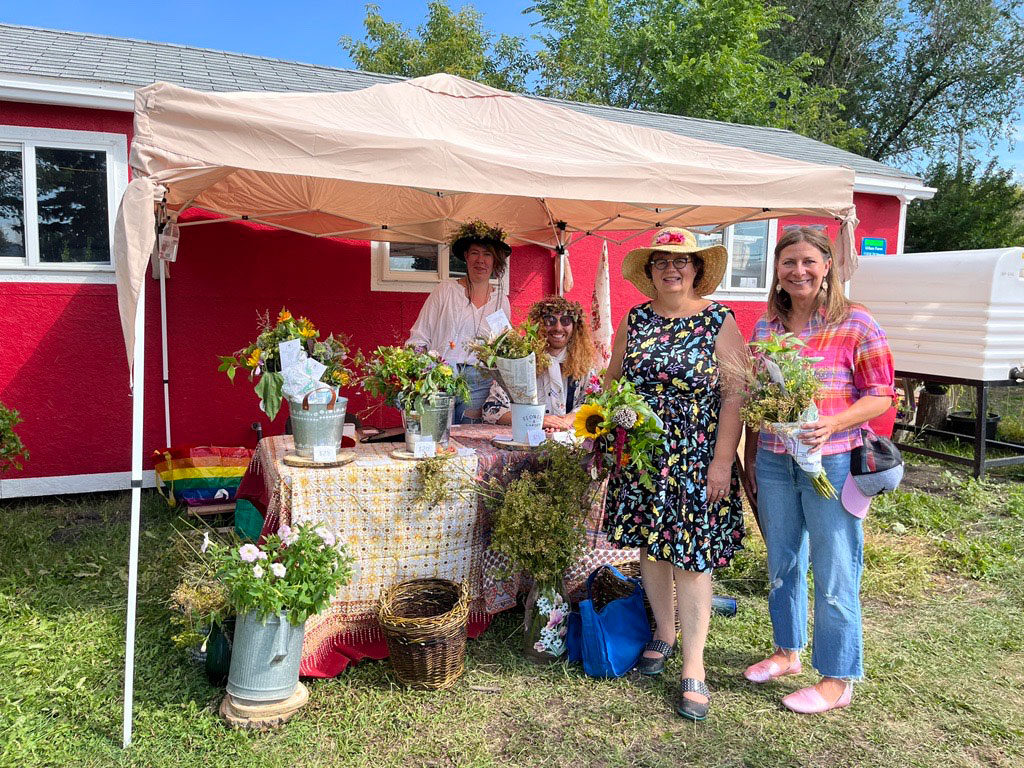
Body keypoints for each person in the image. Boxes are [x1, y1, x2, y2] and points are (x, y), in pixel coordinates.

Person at [742, 226, 895, 715]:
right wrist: (749, 456)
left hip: (833, 461)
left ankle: (838, 677)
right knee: (783, 563)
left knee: (834, 569)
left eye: (809, 261)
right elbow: (753, 396)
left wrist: (831, 423)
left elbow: (881, 394)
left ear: (827, 265)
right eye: (789, 263)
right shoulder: (767, 327)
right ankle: (788, 652)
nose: (798, 271)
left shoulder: (857, 322)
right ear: (778, 272)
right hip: (773, 459)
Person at [604, 227, 746, 721]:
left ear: (697, 270)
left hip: (696, 458)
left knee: (691, 557)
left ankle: (694, 664)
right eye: (662, 260)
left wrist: (722, 460)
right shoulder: (636, 318)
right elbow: (612, 380)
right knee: (649, 546)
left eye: (682, 261)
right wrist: (612, 428)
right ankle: (663, 634)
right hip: (643, 456)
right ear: (650, 271)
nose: (672, 268)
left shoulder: (718, 320)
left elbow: (735, 394)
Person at [407, 221, 512, 423]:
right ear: (466, 256)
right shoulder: (445, 291)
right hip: (442, 379)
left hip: (481, 383)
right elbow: (419, 336)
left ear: (495, 260)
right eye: (474, 253)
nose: (480, 260)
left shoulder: (500, 300)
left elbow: (503, 350)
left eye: (487, 254)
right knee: (438, 437)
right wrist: (420, 373)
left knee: (470, 441)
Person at [481, 296, 598, 431]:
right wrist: (537, 419)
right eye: (550, 321)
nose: (558, 328)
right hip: (527, 436)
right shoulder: (520, 361)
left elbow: (593, 402)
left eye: (565, 321)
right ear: (539, 325)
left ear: (575, 327)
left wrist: (567, 419)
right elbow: (491, 410)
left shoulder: (583, 364)